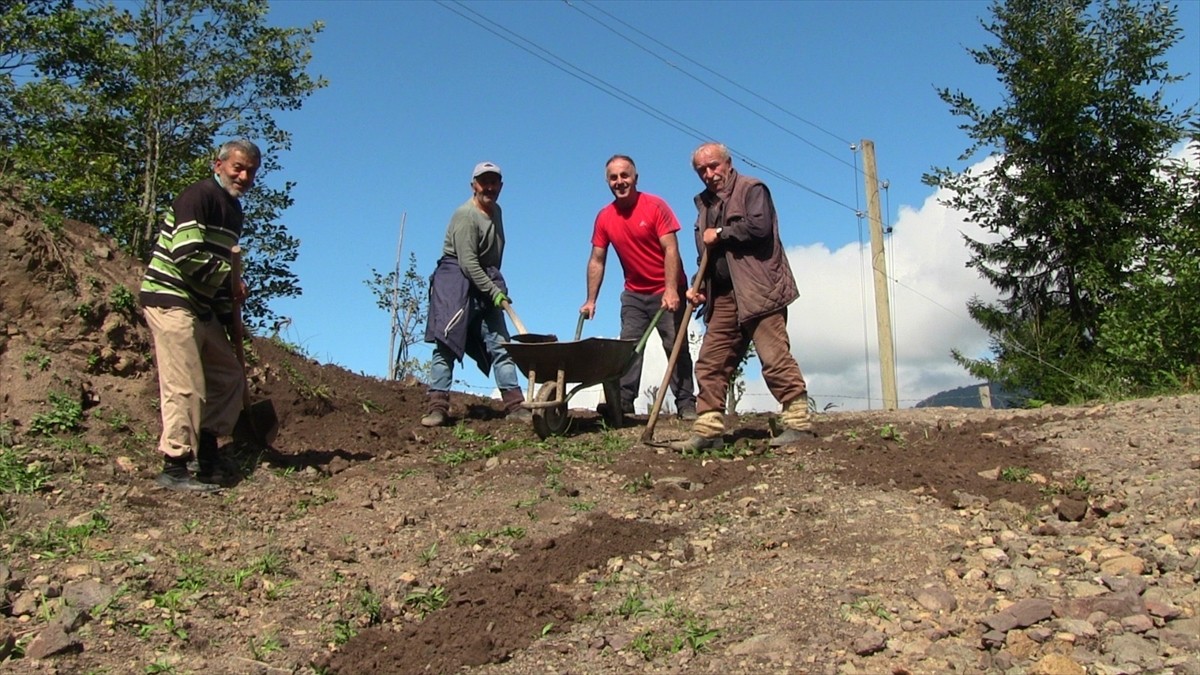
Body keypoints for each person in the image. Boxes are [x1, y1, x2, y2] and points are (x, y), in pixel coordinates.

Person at [670, 142, 816, 452]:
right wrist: (699, 286)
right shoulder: (704, 206)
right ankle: (708, 431)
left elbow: (760, 227)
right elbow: (707, 256)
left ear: (728, 163)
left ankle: (798, 423)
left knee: (774, 357)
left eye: (714, 166)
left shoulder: (752, 189)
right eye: (701, 170)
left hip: (759, 290)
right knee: (711, 362)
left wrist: (721, 233)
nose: (709, 174)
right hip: (724, 296)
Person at [140, 138, 262, 491]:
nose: (243, 177)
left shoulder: (234, 211)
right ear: (218, 165)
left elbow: (220, 270)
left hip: (201, 305)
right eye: (238, 168)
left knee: (228, 375)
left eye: (251, 172)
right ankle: (175, 466)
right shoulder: (198, 196)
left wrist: (228, 313)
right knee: (186, 384)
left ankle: (207, 451)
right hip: (171, 298)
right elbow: (187, 254)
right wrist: (230, 280)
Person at [580, 155, 697, 420]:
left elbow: (671, 249)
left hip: (666, 288)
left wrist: (671, 289)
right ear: (607, 182)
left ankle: (686, 403)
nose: (620, 181)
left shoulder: (655, 206)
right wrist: (591, 299)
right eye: (613, 177)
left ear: (635, 178)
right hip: (634, 292)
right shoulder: (605, 217)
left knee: (675, 345)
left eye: (625, 175)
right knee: (629, 347)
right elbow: (597, 259)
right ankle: (622, 402)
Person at [421, 161, 530, 427]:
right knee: (446, 342)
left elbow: (492, 256)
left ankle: (516, 405)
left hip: (484, 279)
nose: (489, 187)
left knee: (501, 344)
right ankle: (437, 407)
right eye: (484, 182)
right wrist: (493, 291)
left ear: (501, 186)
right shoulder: (465, 216)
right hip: (456, 279)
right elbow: (468, 263)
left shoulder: (497, 212)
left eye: (494, 182)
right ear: (474, 186)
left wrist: (495, 287)